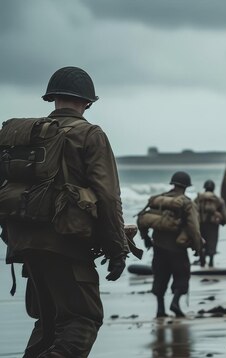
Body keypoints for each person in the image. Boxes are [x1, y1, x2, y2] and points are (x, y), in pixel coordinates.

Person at [0, 66, 129, 358]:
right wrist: (117, 250)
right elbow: (108, 197)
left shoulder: (27, 136)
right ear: (87, 102)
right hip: (66, 243)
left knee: (48, 327)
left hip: (23, 241)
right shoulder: (90, 135)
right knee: (82, 321)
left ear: (53, 98)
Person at [138, 171, 203, 318]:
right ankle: (175, 303)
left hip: (158, 246)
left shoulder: (159, 199)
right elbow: (194, 227)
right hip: (177, 248)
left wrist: (145, 238)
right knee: (182, 275)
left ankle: (160, 310)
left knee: (160, 276)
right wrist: (198, 248)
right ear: (186, 186)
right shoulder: (186, 203)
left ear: (173, 184)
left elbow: (143, 218)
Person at [195, 179, 226, 267]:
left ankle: (202, 259)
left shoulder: (199, 198)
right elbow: (225, 214)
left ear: (205, 188)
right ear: (213, 188)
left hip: (201, 224)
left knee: (201, 242)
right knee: (212, 242)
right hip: (213, 225)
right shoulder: (218, 199)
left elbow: (193, 210)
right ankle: (211, 260)